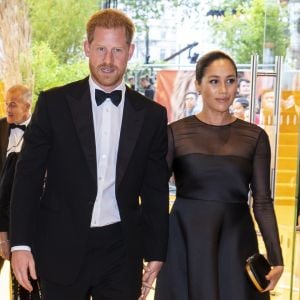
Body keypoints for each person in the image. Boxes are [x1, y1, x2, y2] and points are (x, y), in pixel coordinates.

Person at [10, 9, 169, 300]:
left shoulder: (152, 116)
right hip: (61, 245)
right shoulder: (54, 104)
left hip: (121, 251)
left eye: (117, 50)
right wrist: (20, 244)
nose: (108, 60)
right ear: (87, 48)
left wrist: (156, 251)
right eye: (100, 49)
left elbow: (155, 188)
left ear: (130, 52)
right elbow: (28, 177)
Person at [155, 50, 284, 300]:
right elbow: (156, 196)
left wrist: (276, 256)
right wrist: (151, 251)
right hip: (184, 241)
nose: (224, 90)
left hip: (236, 242)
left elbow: (263, 201)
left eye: (230, 80)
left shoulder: (255, 137)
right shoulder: (175, 133)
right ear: (198, 84)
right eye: (214, 81)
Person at [0, 84, 41, 299]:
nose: (8, 108)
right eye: (6, 104)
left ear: (27, 106)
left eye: (13, 104)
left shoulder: (41, 132)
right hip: (2, 221)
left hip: (21, 224)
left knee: (23, 282)